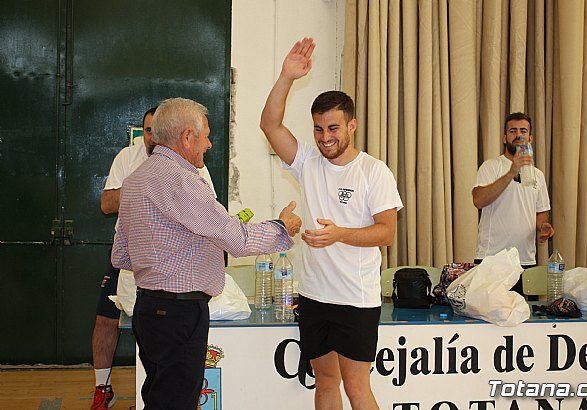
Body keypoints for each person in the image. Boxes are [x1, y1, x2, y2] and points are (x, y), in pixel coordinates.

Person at [111, 97, 301, 410]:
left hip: (148, 309)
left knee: (159, 397)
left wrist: (163, 258)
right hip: (179, 312)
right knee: (179, 401)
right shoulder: (183, 182)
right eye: (206, 135)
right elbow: (235, 239)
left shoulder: (133, 182)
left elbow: (121, 255)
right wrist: (281, 227)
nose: (210, 144)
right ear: (186, 137)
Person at [260, 37, 403, 410]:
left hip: (355, 299)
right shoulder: (307, 161)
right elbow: (269, 124)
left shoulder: (374, 172)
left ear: (351, 125)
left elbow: (386, 232)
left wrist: (340, 234)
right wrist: (286, 77)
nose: (325, 138)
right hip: (313, 296)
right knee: (325, 381)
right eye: (319, 129)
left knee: (357, 388)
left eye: (334, 129)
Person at [91, 106, 219, 409]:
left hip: (163, 291)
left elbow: (212, 217)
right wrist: (278, 230)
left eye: (155, 131)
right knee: (174, 393)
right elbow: (108, 204)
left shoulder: (195, 171)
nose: (152, 137)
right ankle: (101, 387)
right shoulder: (131, 162)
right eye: (148, 131)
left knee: (163, 390)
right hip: (159, 285)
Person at [472, 112, 554, 294]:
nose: (518, 135)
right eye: (513, 131)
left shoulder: (538, 175)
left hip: (525, 259)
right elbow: (478, 200)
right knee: (488, 317)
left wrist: (544, 227)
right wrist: (511, 172)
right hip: (492, 259)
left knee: (526, 317)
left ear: (530, 138)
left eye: (523, 131)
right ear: (504, 137)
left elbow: (541, 212)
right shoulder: (491, 166)